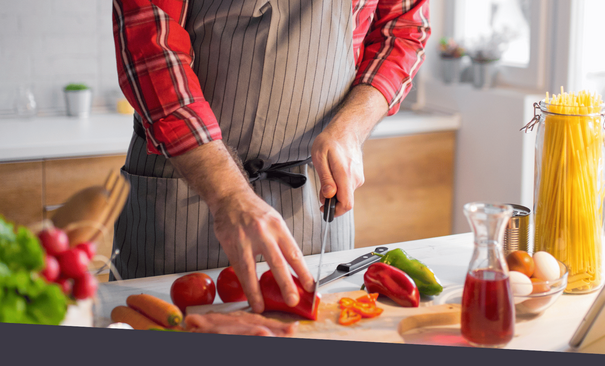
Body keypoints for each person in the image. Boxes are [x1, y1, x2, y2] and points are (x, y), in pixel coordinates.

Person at [111, 0, 431, 314]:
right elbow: (152, 47)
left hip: (312, 195)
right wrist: (228, 194)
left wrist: (351, 127)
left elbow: (403, 30)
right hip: (184, 185)